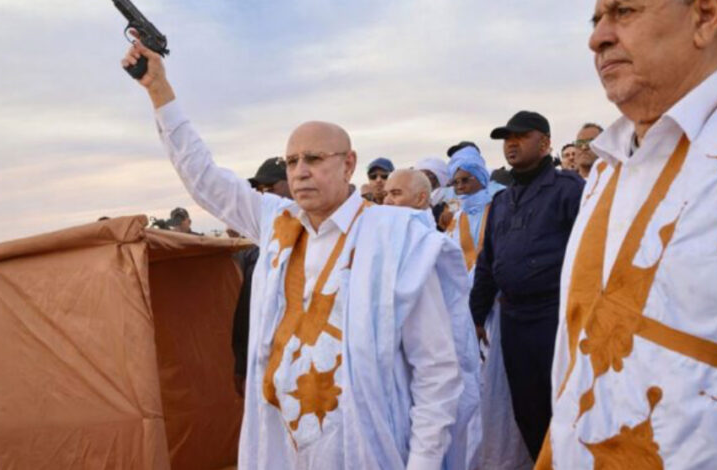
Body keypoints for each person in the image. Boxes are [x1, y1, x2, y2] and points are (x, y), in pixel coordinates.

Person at [122, 40, 480, 470]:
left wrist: (422, 464)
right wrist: (159, 91)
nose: (300, 171)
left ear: (348, 164)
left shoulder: (396, 237)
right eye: (291, 161)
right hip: (281, 446)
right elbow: (204, 178)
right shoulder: (278, 224)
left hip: (364, 450)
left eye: (313, 158)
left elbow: (437, 371)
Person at [538, 1, 717, 468]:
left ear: (705, 16)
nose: (597, 38)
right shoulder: (608, 169)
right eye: (596, 20)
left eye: (624, 11)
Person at [470, 110, 584, 462]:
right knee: (527, 408)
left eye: (520, 136)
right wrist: (476, 315)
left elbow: (588, 253)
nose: (511, 144)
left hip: (555, 317)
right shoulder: (502, 202)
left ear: (545, 143)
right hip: (514, 320)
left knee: (563, 406)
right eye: (507, 138)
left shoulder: (568, 190)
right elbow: (488, 262)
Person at [232, 158, 292, 396]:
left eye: (270, 188)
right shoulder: (257, 252)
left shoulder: (325, 246)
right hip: (266, 369)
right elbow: (246, 314)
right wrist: (242, 364)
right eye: (259, 191)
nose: (263, 197)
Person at [444, 146, 504, 282]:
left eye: (465, 180)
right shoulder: (458, 214)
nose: (460, 186)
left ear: (480, 177)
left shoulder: (499, 205)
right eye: (455, 182)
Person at [414, 157, 452, 230]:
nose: (425, 178)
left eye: (429, 174)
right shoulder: (415, 197)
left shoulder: (451, 194)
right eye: (421, 175)